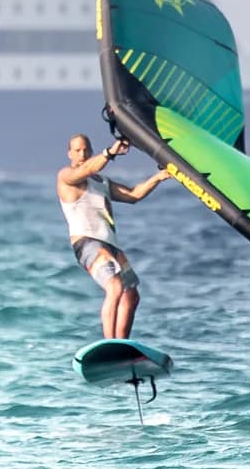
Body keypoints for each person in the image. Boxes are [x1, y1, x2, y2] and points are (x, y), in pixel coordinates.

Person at [57, 133, 171, 340]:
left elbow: (133, 195)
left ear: (90, 151)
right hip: (87, 242)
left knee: (131, 294)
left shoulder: (101, 182)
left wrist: (159, 177)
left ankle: (122, 344)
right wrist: (110, 152)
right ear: (69, 154)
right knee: (115, 285)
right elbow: (88, 169)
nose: (82, 153)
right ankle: (109, 343)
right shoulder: (66, 177)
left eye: (86, 149)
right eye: (77, 150)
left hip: (112, 245)